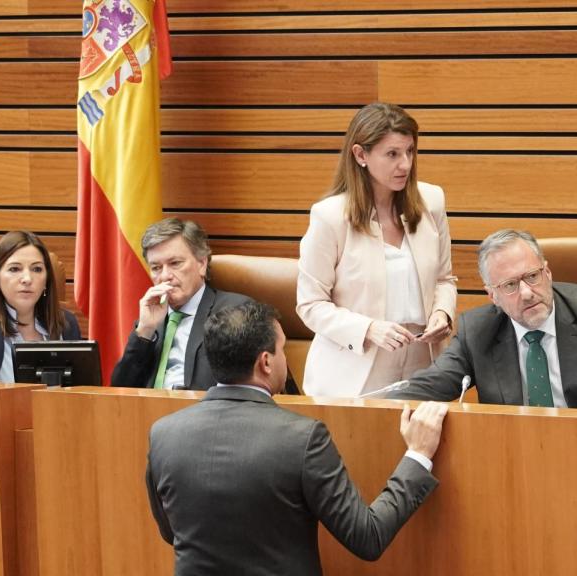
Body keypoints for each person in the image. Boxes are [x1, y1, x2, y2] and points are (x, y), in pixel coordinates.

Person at [146, 300, 448, 576]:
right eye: (283, 349)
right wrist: (418, 454)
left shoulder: (163, 434)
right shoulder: (302, 439)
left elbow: (171, 533)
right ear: (265, 362)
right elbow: (367, 537)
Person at [391, 229, 577, 411]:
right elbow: (428, 386)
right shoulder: (478, 330)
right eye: (510, 285)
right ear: (492, 295)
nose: (527, 293)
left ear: (548, 272)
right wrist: (361, 406)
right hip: (514, 462)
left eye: (532, 276)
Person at [297, 102, 457, 398]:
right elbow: (310, 305)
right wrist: (368, 328)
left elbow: (445, 280)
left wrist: (442, 313)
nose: (405, 164)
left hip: (423, 365)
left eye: (410, 151)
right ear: (361, 155)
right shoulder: (330, 217)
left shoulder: (431, 201)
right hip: (354, 372)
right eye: (392, 154)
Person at [111, 218, 298, 392]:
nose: (165, 276)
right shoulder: (151, 320)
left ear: (202, 263)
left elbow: (265, 384)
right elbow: (120, 391)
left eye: (175, 263)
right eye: (156, 268)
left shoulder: (236, 313)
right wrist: (144, 332)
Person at [0, 231, 81, 381]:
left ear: (46, 280)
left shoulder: (66, 324)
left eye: (37, 269)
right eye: (14, 269)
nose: (27, 279)